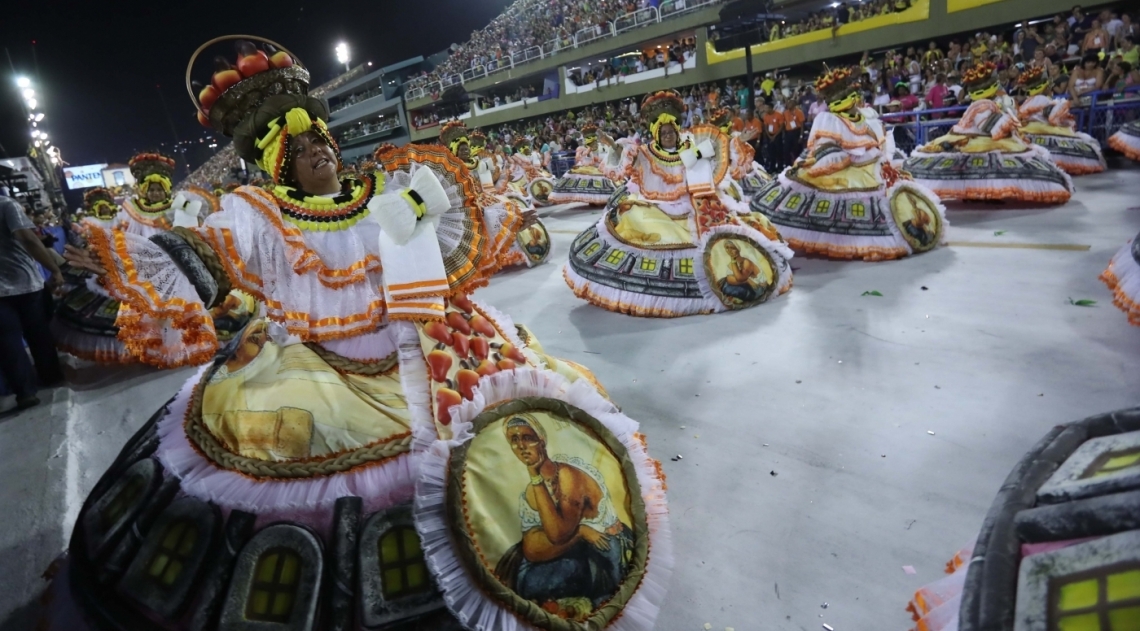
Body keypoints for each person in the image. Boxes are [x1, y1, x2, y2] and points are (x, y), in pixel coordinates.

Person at [51, 36, 670, 631]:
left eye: (323, 141)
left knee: (516, 398)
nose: (320, 151)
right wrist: (125, 259)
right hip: (314, 363)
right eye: (303, 150)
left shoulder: (385, 198)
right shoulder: (259, 217)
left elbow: (458, 217)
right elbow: (203, 257)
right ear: (278, 166)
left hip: (414, 343)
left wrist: (431, 213)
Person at [565, 90, 793, 317]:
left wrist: (737, 141)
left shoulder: (690, 147)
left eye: (670, 131)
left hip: (697, 202)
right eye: (663, 132)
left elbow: (717, 152)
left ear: (676, 130)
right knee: (634, 219)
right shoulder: (647, 152)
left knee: (738, 221)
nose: (667, 135)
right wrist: (613, 146)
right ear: (656, 133)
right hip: (661, 205)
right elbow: (627, 160)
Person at [750, 66, 946, 261]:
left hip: (875, 165)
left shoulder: (866, 116)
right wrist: (834, 158)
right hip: (850, 168)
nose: (857, 99)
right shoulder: (829, 120)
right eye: (853, 96)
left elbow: (879, 141)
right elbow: (824, 150)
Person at [905, 61, 1073, 203]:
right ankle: (981, 194)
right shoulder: (983, 105)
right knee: (988, 159)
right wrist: (1008, 115)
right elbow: (993, 128)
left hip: (976, 137)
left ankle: (980, 194)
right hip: (975, 138)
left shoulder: (985, 103)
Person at [443, 121, 549, 268]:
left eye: (466, 149)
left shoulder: (481, 163)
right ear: (455, 151)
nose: (466, 152)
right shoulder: (452, 170)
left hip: (485, 196)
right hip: (467, 203)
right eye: (462, 150)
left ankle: (521, 245)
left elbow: (489, 183)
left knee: (508, 209)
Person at [0, 186, 64, 412]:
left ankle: (24, 392)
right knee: (38, 332)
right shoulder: (6, 204)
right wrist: (54, 269)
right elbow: (27, 239)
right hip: (25, 284)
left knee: (8, 342)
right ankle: (50, 376)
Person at [1016, 66, 1106, 175]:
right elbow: (1053, 118)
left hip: (1027, 129)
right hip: (1043, 128)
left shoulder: (1028, 101)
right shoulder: (1043, 99)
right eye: (1048, 87)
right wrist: (1062, 110)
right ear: (1044, 88)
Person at [549, 123, 620, 206]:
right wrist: (589, 151)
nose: (594, 144)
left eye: (594, 142)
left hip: (603, 167)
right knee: (588, 181)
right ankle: (593, 200)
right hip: (592, 168)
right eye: (591, 143)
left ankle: (604, 199)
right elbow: (584, 159)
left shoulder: (602, 146)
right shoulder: (584, 150)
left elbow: (607, 152)